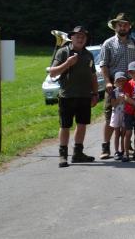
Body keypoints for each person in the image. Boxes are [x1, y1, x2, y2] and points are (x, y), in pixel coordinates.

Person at [48, 25, 98, 168]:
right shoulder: (63, 52)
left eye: (83, 36)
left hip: (84, 96)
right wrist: (68, 63)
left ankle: (78, 154)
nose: (80, 39)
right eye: (78, 36)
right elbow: (52, 73)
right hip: (67, 96)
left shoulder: (88, 55)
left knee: (82, 125)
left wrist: (94, 93)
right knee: (65, 126)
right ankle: (63, 155)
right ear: (71, 37)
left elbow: (93, 76)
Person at [99, 13, 135, 159]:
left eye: (126, 24)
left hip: (131, 85)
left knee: (129, 114)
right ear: (115, 26)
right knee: (111, 116)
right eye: (120, 24)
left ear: (129, 26)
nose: (123, 27)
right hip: (114, 83)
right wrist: (107, 81)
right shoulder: (108, 43)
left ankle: (127, 145)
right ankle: (106, 147)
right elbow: (104, 65)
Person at [108, 73, 128, 161]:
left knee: (123, 133)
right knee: (117, 133)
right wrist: (119, 99)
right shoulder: (114, 92)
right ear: (115, 82)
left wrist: (126, 99)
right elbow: (113, 104)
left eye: (123, 80)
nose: (121, 82)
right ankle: (116, 151)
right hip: (116, 114)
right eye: (119, 80)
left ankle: (123, 150)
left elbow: (129, 102)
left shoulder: (127, 91)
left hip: (125, 114)